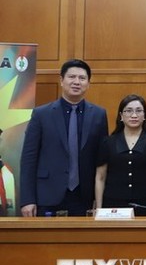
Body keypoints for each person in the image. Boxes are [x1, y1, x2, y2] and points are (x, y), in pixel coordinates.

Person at [20, 59, 109, 216]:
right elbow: (29, 158)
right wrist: (27, 199)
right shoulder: (42, 114)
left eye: (82, 78)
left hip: (84, 196)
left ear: (88, 84)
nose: (76, 82)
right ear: (61, 80)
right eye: (71, 77)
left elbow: (101, 159)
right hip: (47, 195)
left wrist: (99, 199)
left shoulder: (98, 114)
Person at [95, 94, 146, 216]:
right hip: (113, 206)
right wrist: (98, 209)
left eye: (139, 111)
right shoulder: (108, 142)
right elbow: (100, 177)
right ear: (121, 116)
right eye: (129, 111)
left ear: (144, 116)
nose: (134, 115)